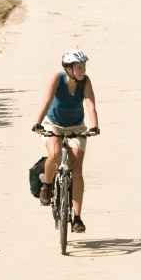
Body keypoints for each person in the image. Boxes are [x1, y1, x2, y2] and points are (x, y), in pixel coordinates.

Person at [30, 49, 100, 233]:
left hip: (76, 126)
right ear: (68, 69)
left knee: (76, 171)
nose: (82, 70)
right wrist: (37, 123)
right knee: (54, 155)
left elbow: (90, 103)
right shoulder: (57, 78)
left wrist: (94, 125)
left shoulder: (85, 81)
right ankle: (47, 185)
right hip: (53, 124)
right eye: (79, 67)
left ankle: (76, 217)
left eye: (84, 66)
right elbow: (46, 100)